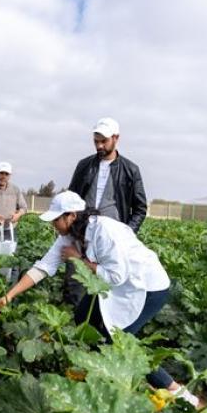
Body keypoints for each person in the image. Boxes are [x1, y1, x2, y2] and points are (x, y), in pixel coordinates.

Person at [0, 191, 200, 408]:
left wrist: (78, 258)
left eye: (56, 219)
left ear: (71, 216)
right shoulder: (69, 235)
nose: (53, 224)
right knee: (83, 315)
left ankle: (177, 392)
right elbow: (44, 266)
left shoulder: (104, 231)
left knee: (121, 344)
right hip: (115, 286)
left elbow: (117, 276)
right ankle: (96, 368)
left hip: (146, 288)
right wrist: (9, 295)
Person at [64, 117, 148, 305]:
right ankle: (74, 317)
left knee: (106, 280)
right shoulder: (84, 166)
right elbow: (70, 199)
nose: (99, 145)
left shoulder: (130, 170)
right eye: (96, 141)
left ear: (116, 138)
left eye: (104, 141)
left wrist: (127, 233)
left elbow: (140, 208)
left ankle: (101, 321)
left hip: (110, 238)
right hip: (82, 232)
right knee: (75, 276)